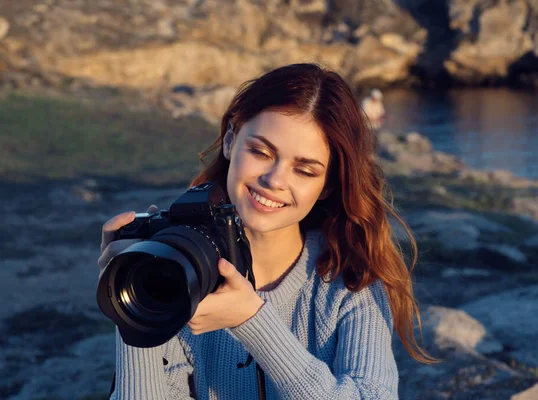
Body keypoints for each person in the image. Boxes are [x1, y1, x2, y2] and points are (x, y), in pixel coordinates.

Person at [98, 63, 435, 400]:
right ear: (230, 142)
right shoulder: (182, 271)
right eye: (260, 152)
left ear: (328, 186)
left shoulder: (351, 284)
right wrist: (134, 306)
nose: (274, 180)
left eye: (304, 170)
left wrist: (253, 322)